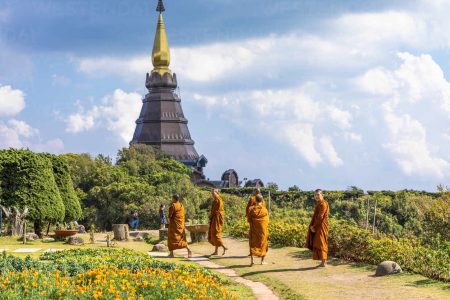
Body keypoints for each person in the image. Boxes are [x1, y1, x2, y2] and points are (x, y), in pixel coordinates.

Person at [306, 189, 329, 267]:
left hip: (321, 226)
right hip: (318, 225)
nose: (316, 196)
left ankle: (323, 262)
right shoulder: (319, 204)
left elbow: (320, 216)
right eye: (315, 195)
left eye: (318, 195)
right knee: (318, 242)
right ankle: (322, 262)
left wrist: (314, 226)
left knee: (322, 243)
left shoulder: (323, 204)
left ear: (322, 195)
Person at [168, 194, 192, 258]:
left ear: (174, 199)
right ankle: (188, 249)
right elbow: (182, 216)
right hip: (180, 225)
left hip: (174, 226)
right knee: (181, 239)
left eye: (172, 198)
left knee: (171, 238)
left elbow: (170, 216)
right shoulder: (181, 205)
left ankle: (171, 254)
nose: (171, 199)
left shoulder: (173, 205)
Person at [249, 194, 269, 266]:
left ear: (255, 200)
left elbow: (249, 219)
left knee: (252, 243)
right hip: (263, 230)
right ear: (262, 200)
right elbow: (267, 221)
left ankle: (252, 261)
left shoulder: (251, 209)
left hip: (253, 229)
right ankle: (262, 261)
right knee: (263, 243)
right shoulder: (265, 210)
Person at [208, 189, 228, 256]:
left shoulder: (218, 200)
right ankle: (216, 251)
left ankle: (224, 247)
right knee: (214, 234)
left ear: (217, 193)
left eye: (214, 193)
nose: (213, 195)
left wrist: (210, 216)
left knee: (215, 234)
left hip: (217, 219)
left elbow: (215, 211)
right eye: (212, 193)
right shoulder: (215, 200)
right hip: (215, 218)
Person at [246, 188, 265, 256]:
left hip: (254, 220)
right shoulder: (262, 199)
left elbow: (248, 209)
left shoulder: (253, 198)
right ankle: (259, 252)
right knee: (261, 237)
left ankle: (253, 252)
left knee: (253, 237)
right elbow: (264, 210)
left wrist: (249, 218)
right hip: (261, 222)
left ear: (255, 192)